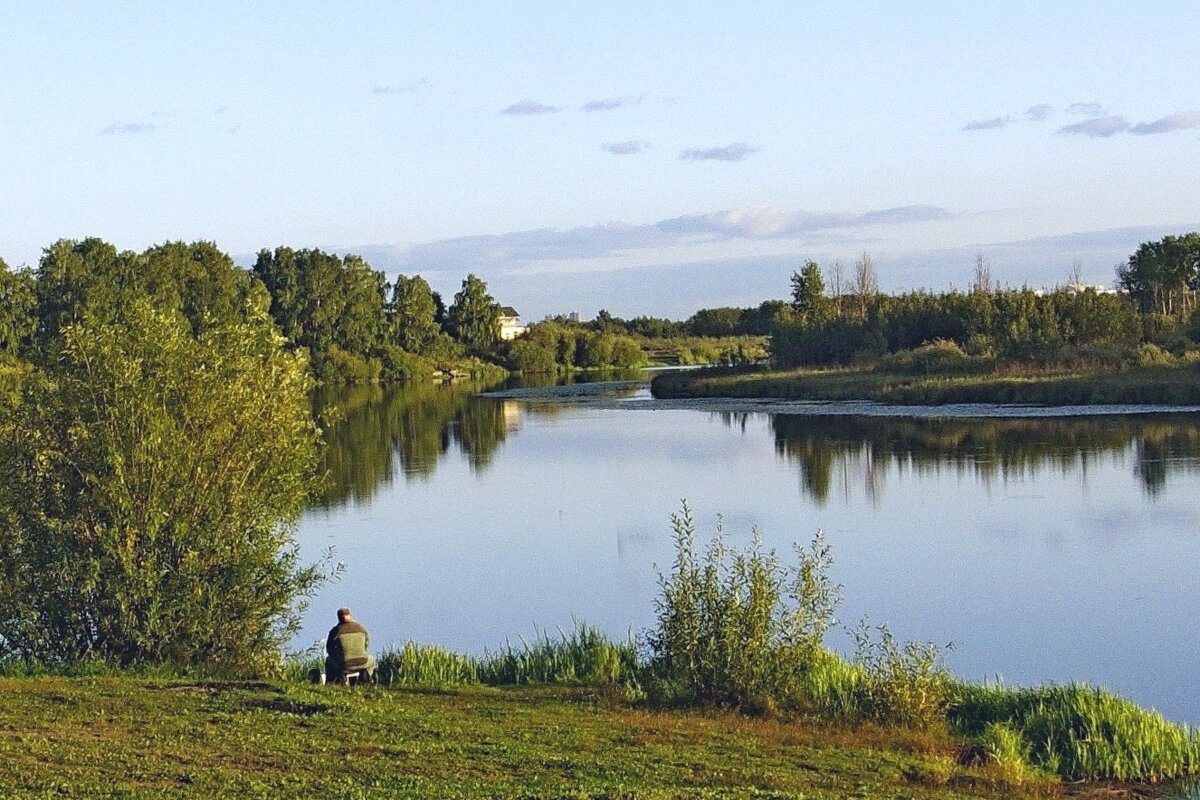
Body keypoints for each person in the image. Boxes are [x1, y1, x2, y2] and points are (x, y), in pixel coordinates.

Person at [325, 607, 376, 685]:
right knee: (372, 660)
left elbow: (329, 649)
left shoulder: (335, 631)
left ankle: (333, 681)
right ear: (351, 615)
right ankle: (366, 678)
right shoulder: (362, 628)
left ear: (338, 618)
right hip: (362, 662)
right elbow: (366, 646)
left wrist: (337, 656)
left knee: (328, 661)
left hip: (344, 665)